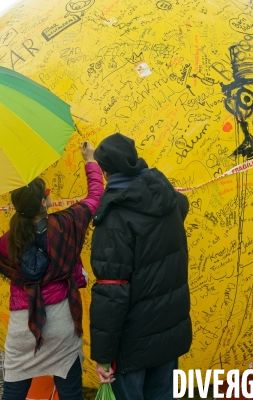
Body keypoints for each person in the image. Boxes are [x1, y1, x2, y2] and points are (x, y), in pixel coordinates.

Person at [0, 142, 103, 400]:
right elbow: (94, 197)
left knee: (13, 392)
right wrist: (90, 160)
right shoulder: (67, 224)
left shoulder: (9, 241)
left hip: (23, 328)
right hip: (62, 325)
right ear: (45, 201)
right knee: (71, 393)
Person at [89, 133, 192, 399]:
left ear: (104, 170)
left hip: (132, 343)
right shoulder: (166, 199)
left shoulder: (115, 218)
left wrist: (103, 355)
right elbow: (183, 204)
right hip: (168, 330)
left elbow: (111, 292)